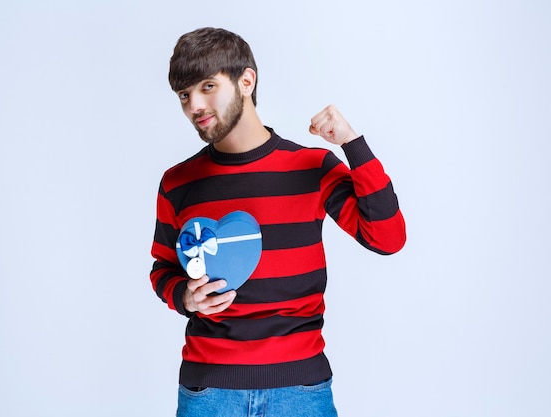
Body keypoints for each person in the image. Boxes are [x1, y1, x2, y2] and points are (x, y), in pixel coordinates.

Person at [150, 27, 406, 417]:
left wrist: (353, 144)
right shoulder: (177, 182)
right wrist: (184, 296)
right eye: (184, 95)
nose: (194, 106)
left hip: (301, 391)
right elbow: (162, 269)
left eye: (207, 86)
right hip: (209, 392)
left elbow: (388, 238)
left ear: (246, 81)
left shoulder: (312, 167)